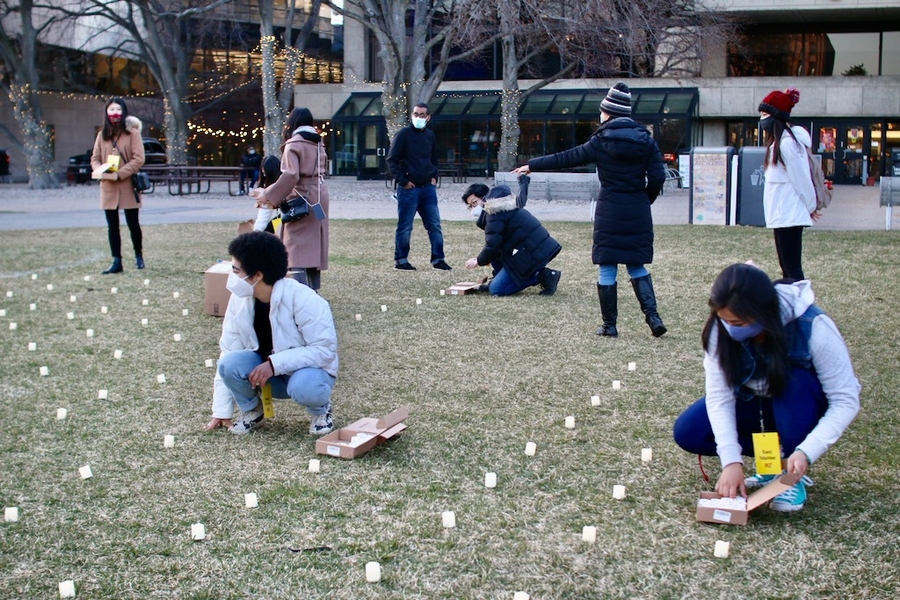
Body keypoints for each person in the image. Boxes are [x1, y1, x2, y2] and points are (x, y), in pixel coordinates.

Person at [673, 263, 860, 512]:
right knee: (690, 432)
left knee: (794, 380)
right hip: (755, 403)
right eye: (724, 320)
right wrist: (731, 462)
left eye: (738, 323)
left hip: (801, 402)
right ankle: (769, 462)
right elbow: (719, 397)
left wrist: (806, 451)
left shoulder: (812, 326)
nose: (729, 329)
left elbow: (846, 400)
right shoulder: (720, 328)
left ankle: (791, 470)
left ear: (764, 312)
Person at [513, 82, 667, 337]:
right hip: (637, 209)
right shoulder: (646, 141)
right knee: (636, 265)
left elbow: (567, 157)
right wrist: (644, 199)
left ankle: (610, 326)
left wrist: (532, 165)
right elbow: (659, 177)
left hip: (609, 211)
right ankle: (653, 318)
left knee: (607, 266)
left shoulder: (601, 140)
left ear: (608, 113)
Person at [204, 231, 338, 435]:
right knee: (229, 363)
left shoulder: (306, 299)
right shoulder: (239, 299)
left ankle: (321, 411)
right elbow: (228, 350)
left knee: (305, 387)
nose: (232, 277)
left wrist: (274, 364)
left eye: (236, 270)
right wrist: (221, 409)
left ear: (257, 275)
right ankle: (252, 411)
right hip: (269, 378)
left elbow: (324, 351)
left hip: (307, 374)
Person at [250, 108, 329, 291]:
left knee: (294, 247)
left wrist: (268, 194)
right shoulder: (318, 143)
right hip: (319, 195)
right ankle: (313, 291)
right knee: (313, 246)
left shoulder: (294, 144)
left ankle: (300, 294)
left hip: (301, 196)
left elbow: (290, 175)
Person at [757, 88, 819, 281]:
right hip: (782, 214)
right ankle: (793, 305)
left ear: (776, 117)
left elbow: (802, 179)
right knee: (787, 266)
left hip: (789, 214)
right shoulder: (778, 144)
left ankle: (801, 306)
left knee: (792, 268)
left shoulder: (788, 144)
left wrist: (811, 206)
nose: (762, 120)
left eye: (765, 114)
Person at [461, 177, 562, 296]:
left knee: (496, 290)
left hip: (533, 252)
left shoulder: (493, 213)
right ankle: (504, 277)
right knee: (496, 256)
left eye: (474, 202)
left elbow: (492, 246)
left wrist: (477, 261)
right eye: (470, 206)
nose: (473, 208)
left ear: (484, 198)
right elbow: (496, 246)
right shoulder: (500, 205)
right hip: (532, 248)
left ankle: (544, 275)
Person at [386, 102, 452, 271]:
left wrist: (434, 176)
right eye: (416, 114)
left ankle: (438, 259)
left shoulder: (429, 135)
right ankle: (401, 260)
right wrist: (404, 182)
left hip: (427, 188)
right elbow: (391, 160)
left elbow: (434, 158)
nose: (418, 117)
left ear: (428, 118)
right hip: (409, 189)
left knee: (434, 225)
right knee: (405, 226)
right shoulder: (403, 135)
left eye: (422, 115)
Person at [90, 97, 146, 274]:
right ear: (106, 112)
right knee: (112, 225)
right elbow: (95, 158)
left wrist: (120, 174)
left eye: (118, 110)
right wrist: (100, 170)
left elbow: (139, 159)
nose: (115, 113)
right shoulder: (101, 135)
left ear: (123, 112)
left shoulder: (132, 134)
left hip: (128, 185)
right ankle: (117, 261)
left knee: (133, 223)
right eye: (112, 110)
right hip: (108, 186)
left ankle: (138, 255)